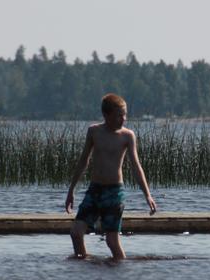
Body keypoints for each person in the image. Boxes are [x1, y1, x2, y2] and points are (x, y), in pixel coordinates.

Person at [65, 93, 157, 260]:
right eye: (118, 115)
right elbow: (83, 161)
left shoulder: (127, 136)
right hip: (95, 190)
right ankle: (82, 263)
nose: (123, 119)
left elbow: (136, 166)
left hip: (114, 193)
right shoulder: (94, 132)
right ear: (106, 115)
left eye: (125, 115)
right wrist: (71, 190)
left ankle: (121, 269)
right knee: (76, 232)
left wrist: (147, 195)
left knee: (111, 241)